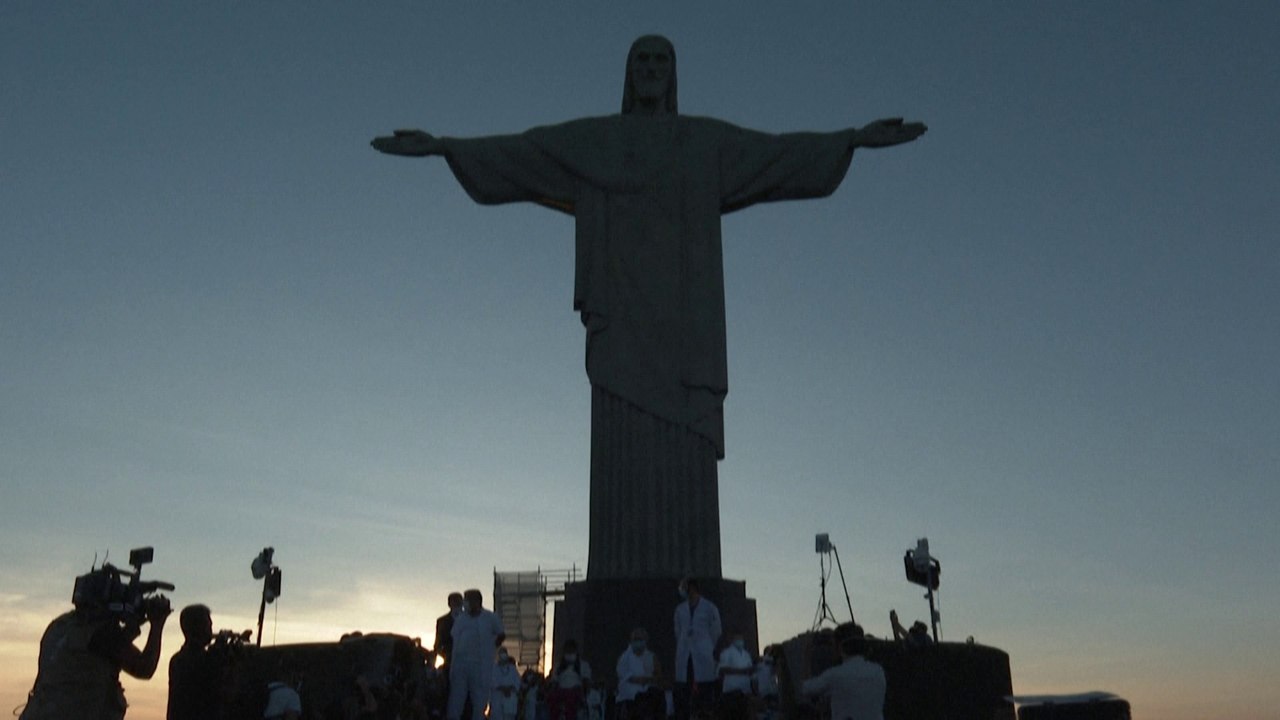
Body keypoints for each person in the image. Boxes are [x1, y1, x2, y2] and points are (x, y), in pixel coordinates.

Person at [371, 36, 926, 582]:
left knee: (685, 442)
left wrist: (851, 140)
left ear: (675, 73)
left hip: (687, 326)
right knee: (620, 440)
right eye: (642, 59)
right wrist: (446, 147)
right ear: (628, 72)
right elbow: (525, 151)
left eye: (662, 59)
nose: (652, 68)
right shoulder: (597, 141)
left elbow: (776, 153)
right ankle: (618, 569)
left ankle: (690, 570)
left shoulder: (702, 142)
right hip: (621, 320)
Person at [20, 570, 171, 720]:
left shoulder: (61, 625)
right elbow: (144, 668)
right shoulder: (100, 633)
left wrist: (133, 624)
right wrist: (157, 624)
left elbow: (101, 650)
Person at [800, 626, 885, 720]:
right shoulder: (878, 671)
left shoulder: (834, 675)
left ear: (840, 647)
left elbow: (805, 688)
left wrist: (806, 656)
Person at [448, 588, 506, 720]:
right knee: (456, 700)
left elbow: (501, 634)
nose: (465, 603)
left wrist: (491, 647)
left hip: (480, 665)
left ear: (477, 601)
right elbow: (454, 636)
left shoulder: (490, 618)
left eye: (467, 600)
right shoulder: (461, 619)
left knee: (479, 701)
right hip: (460, 664)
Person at [166, 604, 229, 720]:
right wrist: (220, 652)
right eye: (208, 626)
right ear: (198, 628)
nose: (210, 630)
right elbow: (222, 690)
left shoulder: (176, 660)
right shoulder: (203, 659)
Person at [673, 578, 721, 720]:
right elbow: (678, 630)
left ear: (692, 588)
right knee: (684, 692)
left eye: (684, 587)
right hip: (685, 655)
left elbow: (716, 630)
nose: (682, 590)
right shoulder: (680, 609)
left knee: (704, 692)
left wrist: (706, 645)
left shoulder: (709, 607)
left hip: (703, 654)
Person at [616, 628, 663, 720]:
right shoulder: (624, 658)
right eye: (636, 639)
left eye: (640, 639)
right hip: (628, 700)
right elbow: (626, 677)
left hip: (647, 701)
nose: (638, 641)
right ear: (631, 641)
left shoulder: (652, 657)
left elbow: (658, 676)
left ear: (646, 640)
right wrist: (644, 680)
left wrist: (648, 680)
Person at [547, 638, 592, 720]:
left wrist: (584, 692)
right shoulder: (558, 666)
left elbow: (587, 681)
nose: (569, 654)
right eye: (567, 651)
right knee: (551, 699)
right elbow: (554, 681)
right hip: (561, 690)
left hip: (575, 691)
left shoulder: (583, 665)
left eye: (571, 651)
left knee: (571, 700)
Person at [716, 633, 752, 720]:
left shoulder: (746, 654)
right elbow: (722, 670)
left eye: (741, 638)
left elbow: (750, 671)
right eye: (737, 638)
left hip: (745, 691)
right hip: (731, 692)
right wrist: (741, 672)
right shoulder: (726, 653)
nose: (740, 641)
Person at [491, 648, 521, 720]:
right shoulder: (494, 668)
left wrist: (509, 689)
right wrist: (503, 689)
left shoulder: (512, 669)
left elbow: (517, 683)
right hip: (497, 700)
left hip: (510, 700)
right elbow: (492, 682)